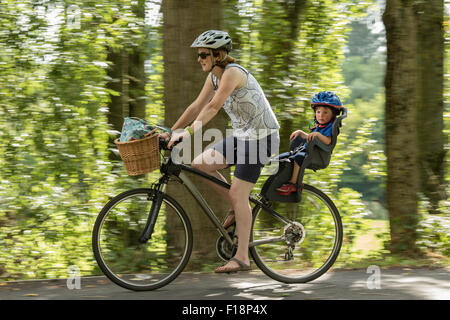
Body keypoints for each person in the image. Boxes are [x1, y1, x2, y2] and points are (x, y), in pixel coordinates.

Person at [164, 30, 280, 273]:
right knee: (200, 164)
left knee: (239, 194)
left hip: (261, 138)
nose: (199, 59)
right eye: (198, 55)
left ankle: (242, 258)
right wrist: (171, 131)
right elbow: (196, 106)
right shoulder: (213, 78)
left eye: (203, 54)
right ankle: (238, 207)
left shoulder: (232, 74)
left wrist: (189, 133)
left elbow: (214, 106)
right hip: (242, 136)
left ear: (218, 54)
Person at [276, 91, 343, 195]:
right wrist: (301, 133)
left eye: (325, 112)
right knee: (281, 158)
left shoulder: (330, 127)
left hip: (318, 155)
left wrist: (317, 135)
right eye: (318, 112)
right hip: (307, 150)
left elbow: (328, 141)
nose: (321, 115)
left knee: (299, 158)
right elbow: (310, 137)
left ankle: (294, 183)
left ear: (333, 114)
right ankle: (279, 181)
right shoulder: (318, 126)